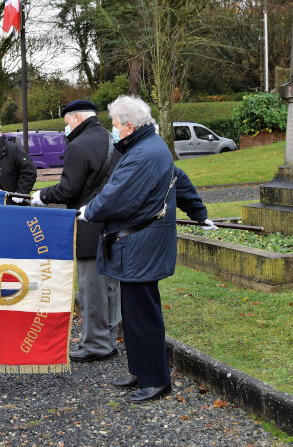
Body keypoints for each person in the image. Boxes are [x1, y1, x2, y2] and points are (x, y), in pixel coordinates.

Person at [78, 95, 177, 403]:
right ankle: (142, 371)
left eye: (116, 125)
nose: (114, 130)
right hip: (138, 245)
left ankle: (156, 380)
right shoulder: (148, 146)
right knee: (134, 315)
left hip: (140, 246)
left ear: (131, 126)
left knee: (143, 315)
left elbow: (115, 195)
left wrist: (89, 211)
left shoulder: (143, 153)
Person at [30, 100, 121, 362]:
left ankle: (95, 345)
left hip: (89, 224)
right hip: (115, 222)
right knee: (112, 286)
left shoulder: (79, 146)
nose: (65, 128)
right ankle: (110, 337)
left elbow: (68, 190)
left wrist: (42, 196)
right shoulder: (111, 138)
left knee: (91, 288)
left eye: (67, 122)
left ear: (78, 118)